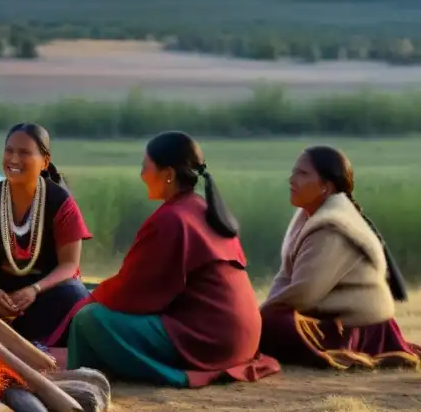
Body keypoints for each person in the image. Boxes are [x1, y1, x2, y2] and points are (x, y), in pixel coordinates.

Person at [66, 131, 281, 387]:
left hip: (213, 341)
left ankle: (80, 380)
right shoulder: (202, 208)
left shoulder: (172, 219)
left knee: (89, 319)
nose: (142, 175)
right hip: (242, 339)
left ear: (168, 173)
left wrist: (88, 300)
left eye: (145, 167)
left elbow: (132, 290)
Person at [258, 146, 420, 370]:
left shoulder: (331, 228)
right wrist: (263, 311)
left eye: (302, 174)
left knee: (271, 324)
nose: (291, 180)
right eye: (294, 172)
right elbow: (285, 277)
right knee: (266, 321)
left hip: (353, 325)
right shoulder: (308, 217)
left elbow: (304, 292)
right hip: (327, 318)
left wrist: (260, 315)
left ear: (326, 187)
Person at [0, 122, 93, 347]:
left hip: (44, 295)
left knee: (75, 296)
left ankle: (25, 347)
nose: (14, 159)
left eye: (24, 152)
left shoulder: (61, 203)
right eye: (9, 151)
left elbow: (69, 265)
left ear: (45, 161)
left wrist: (34, 290)